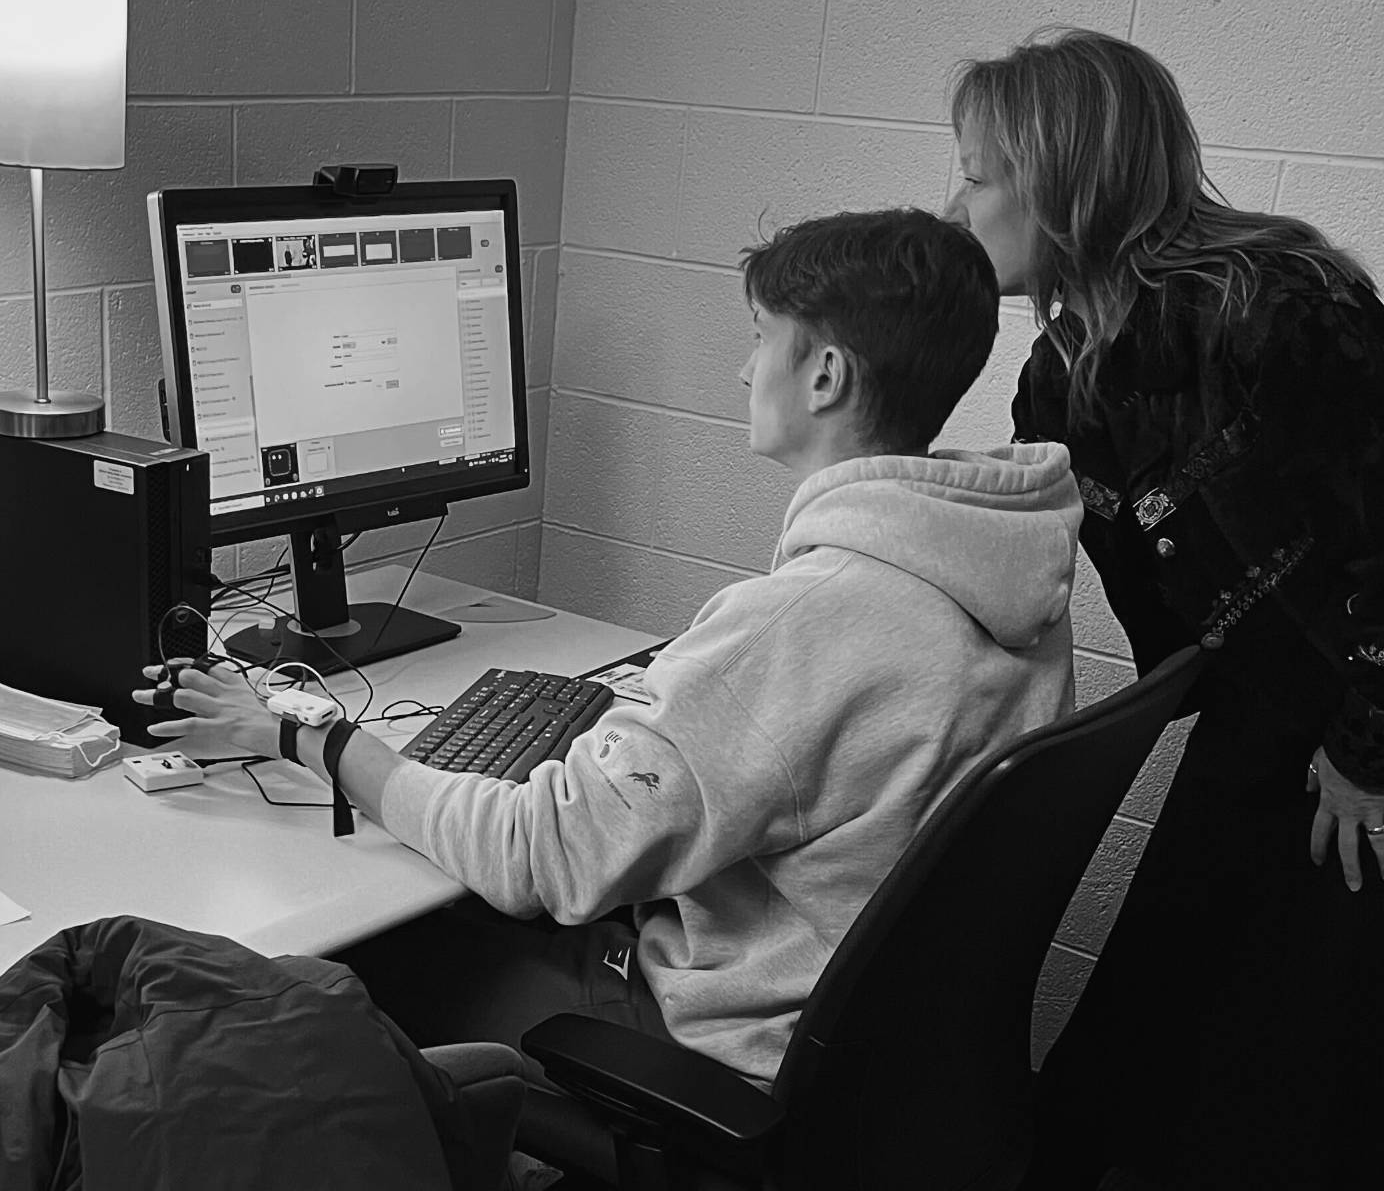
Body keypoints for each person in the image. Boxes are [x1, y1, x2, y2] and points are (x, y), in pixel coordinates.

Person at [134, 207, 1084, 1091]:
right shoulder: (1001, 567)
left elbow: (533, 854)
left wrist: (314, 739)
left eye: (760, 341)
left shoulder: (805, 622)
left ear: (826, 377)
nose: (745, 373)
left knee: (339, 967)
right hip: (884, 1069)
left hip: (724, 1051)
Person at [944, 28, 1384, 1189]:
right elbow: (1020, 556)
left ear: (1065, 181)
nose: (957, 204)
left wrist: (1371, 757)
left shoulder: (1281, 307)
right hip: (1262, 727)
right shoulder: (1062, 372)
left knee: (1312, 1066)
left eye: (977, 174)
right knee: (1153, 1049)